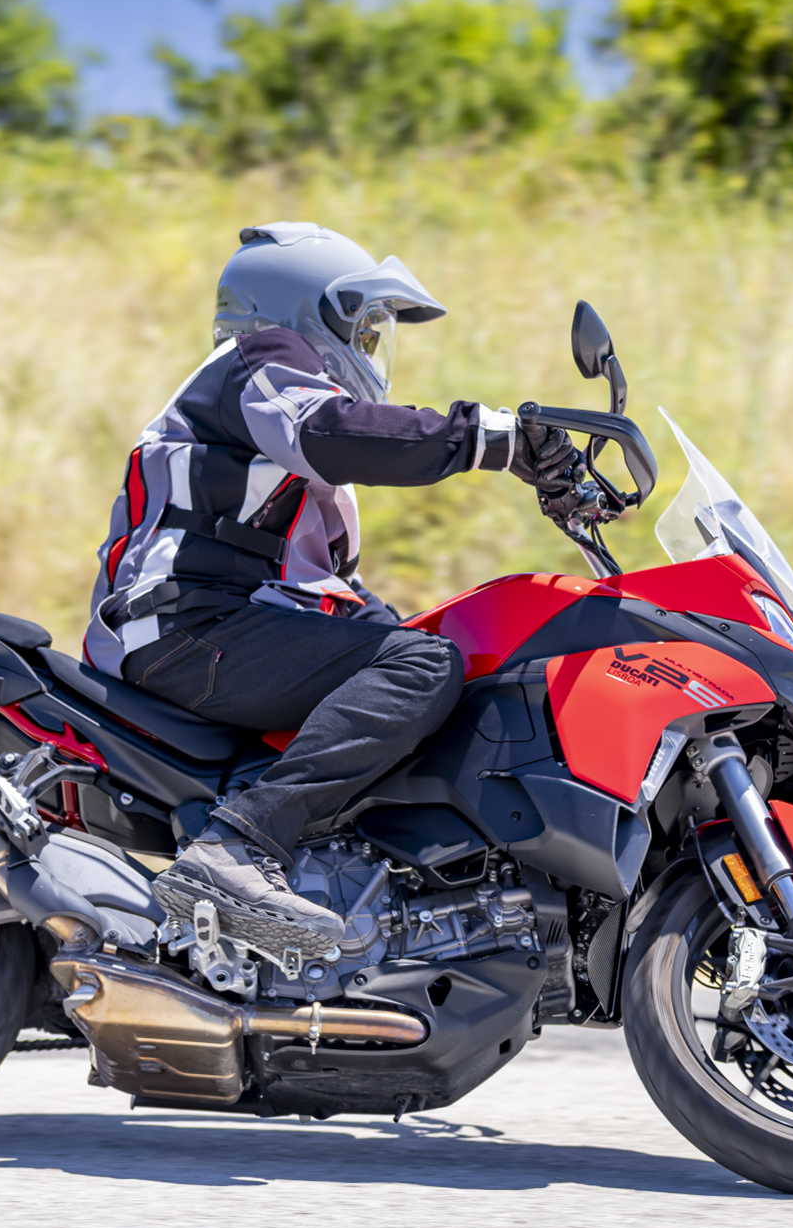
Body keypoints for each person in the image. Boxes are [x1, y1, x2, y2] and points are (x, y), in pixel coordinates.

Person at [84, 222, 578, 959]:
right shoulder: (260, 362)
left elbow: (336, 600)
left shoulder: (282, 462)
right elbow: (332, 432)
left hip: (220, 628)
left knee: (436, 665)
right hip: (186, 625)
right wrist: (492, 438)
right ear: (303, 312)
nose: (371, 352)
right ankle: (236, 848)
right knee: (422, 665)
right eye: (364, 331)